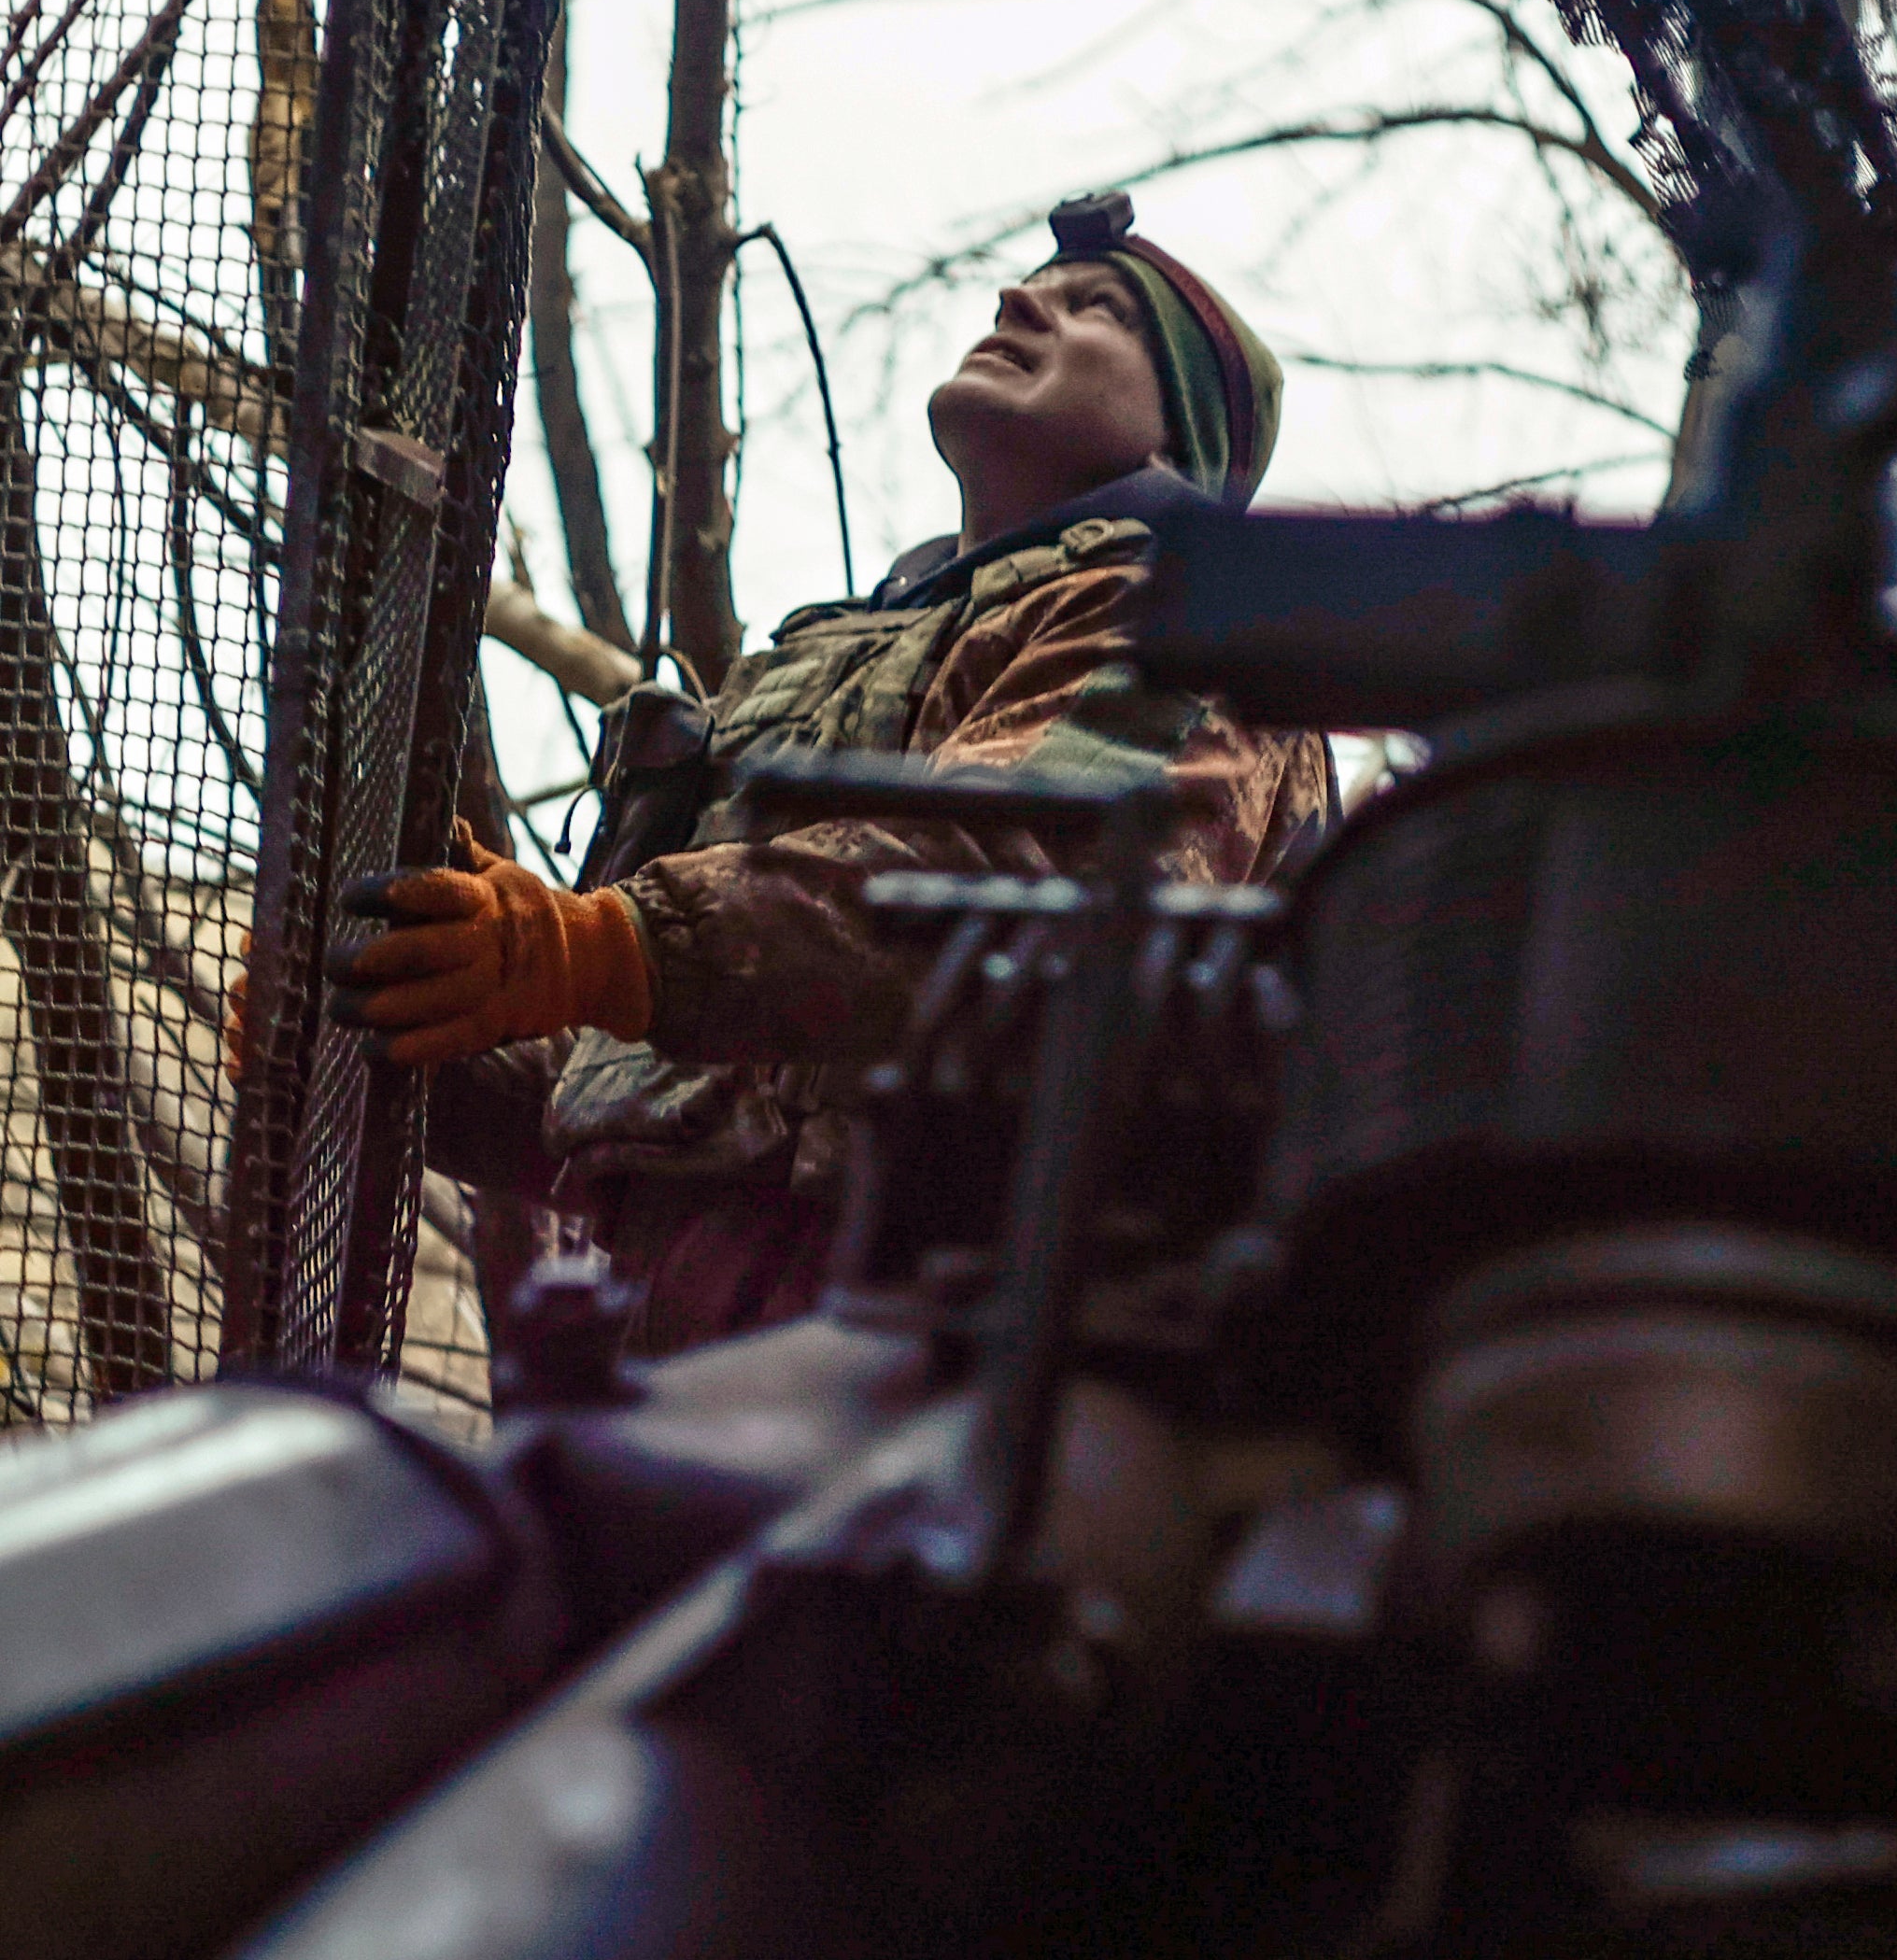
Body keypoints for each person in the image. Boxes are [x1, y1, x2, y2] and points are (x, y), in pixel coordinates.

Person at [304, 193, 1332, 1354]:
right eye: (1028, 288)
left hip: (974, 1337)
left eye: (1095, 309)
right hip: (694, 1335)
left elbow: (1017, 889)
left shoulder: (1192, 619)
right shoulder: (849, 645)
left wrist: (592, 944)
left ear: (1178, 438)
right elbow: (657, 1071)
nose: (1015, 300)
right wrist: (400, 1016)